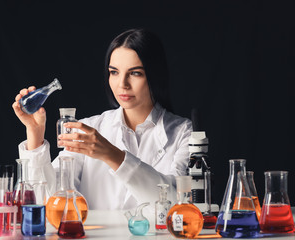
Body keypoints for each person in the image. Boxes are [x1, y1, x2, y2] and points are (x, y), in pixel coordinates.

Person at [12, 28, 192, 210]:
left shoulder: (183, 132)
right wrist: (35, 134)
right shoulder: (88, 128)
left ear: (154, 74)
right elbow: (48, 198)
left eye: (135, 73)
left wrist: (112, 155)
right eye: (114, 72)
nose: (122, 84)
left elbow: (176, 204)